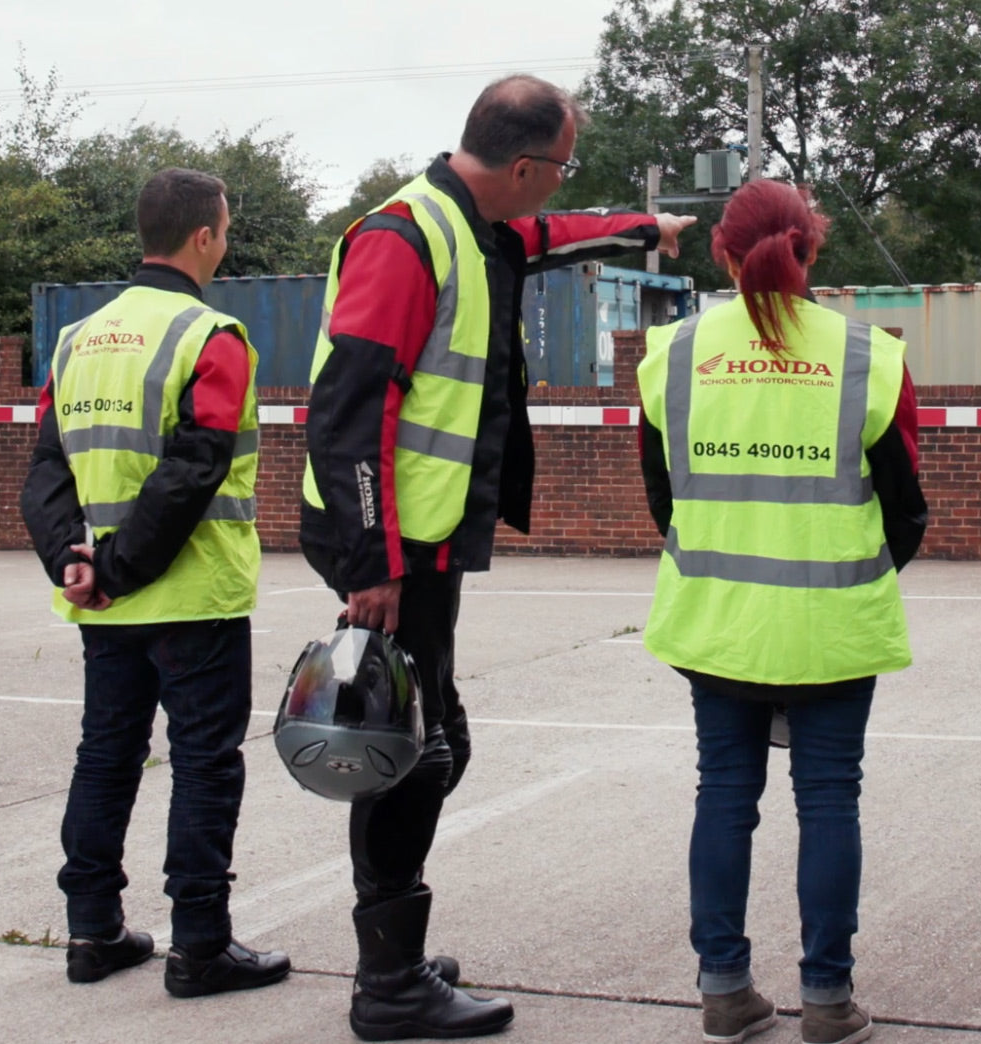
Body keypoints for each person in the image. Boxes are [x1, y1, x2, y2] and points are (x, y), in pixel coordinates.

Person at [298, 74, 695, 1040]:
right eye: (559, 171)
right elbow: (348, 414)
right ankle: (388, 987)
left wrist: (644, 227)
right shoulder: (404, 240)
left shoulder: (475, 226)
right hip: (391, 543)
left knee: (426, 745)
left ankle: (390, 954)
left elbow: (549, 241)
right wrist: (370, 563)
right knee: (410, 751)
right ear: (522, 165)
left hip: (416, 538)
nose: (561, 189)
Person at [635, 179, 927, 1044]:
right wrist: (855, 571)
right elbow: (906, 506)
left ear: (722, 253)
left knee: (723, 793)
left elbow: (665, 497)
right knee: (829, 801)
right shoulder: (870, 356)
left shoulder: (672, 354)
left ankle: (724, 990)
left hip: (717, 620)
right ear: (811, 249)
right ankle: (828, 1003)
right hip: (834, 626)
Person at [20, 167, 291, 998]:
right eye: (227, 226)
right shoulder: (213, 336)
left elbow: (42, 472)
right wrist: (121, 567)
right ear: (205, 235)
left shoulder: (75, 340)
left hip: (101, 604)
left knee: (106, 757)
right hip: (193, 595)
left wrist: (78, 562)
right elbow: (195, 466)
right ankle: (200, 943)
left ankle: (92, 931)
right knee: (205, 766)